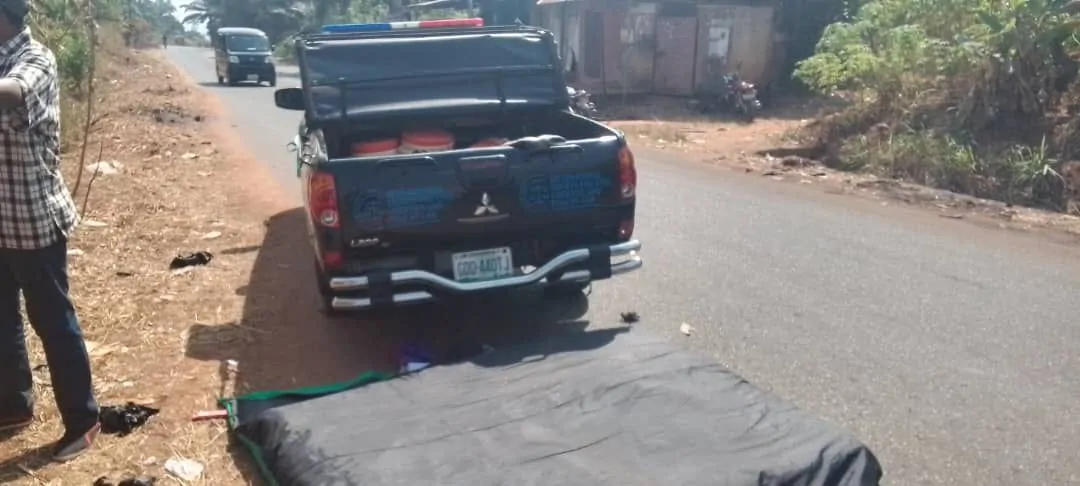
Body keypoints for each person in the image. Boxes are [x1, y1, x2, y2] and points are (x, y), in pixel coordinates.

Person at [0, 0, 100, 462]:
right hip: (2, 219)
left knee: (53, 322)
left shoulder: (36, 59)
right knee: (2, 319)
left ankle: (83, 422)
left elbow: (14, 91)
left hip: (34, 221)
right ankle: (14, 406)